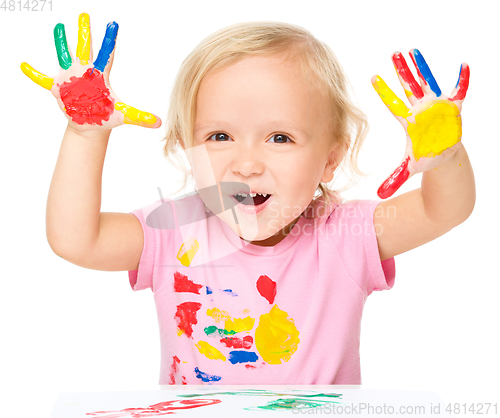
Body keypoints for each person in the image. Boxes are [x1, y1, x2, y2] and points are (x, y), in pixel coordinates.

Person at [22, 13, 475, 385]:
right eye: (220, 136)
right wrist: (84, 135)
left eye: (279, 137)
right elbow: (75, 240)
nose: (246, 164)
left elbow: (444, 209)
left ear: (330, 159)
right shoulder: (173, 232)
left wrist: (445, 154)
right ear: (187, 145)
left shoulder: (346, 236)